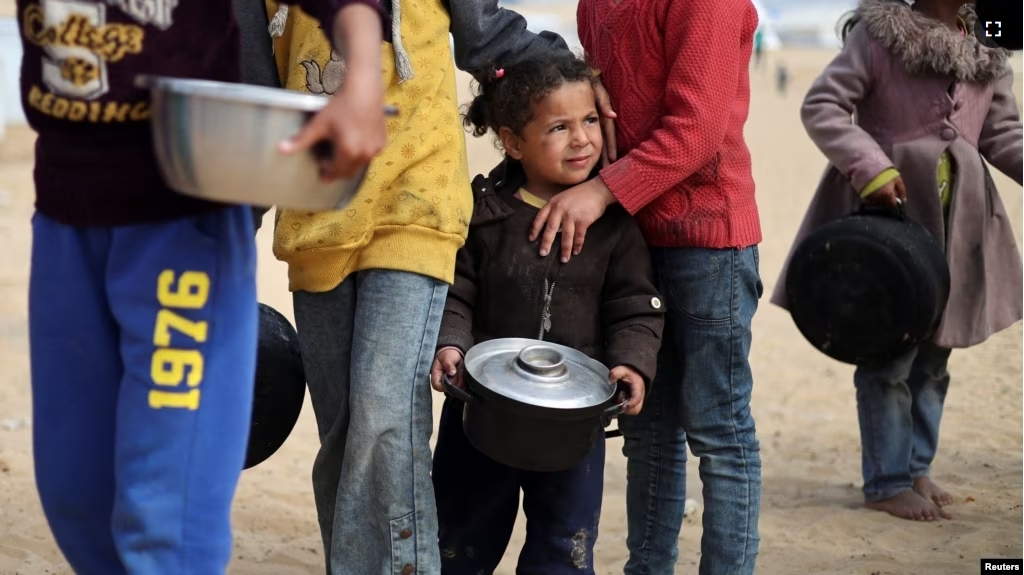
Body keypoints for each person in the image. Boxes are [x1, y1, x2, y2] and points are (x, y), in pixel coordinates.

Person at [17, 0, 391, 572]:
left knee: (166, 514)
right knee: (78, 494)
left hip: (181, 220)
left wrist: (362, 76)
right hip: (66, 220)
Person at [262, 1, 615, 573]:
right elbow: (257, 82)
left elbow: (486, 35)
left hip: (417, 203)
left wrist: (574, 80)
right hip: (315, 218)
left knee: (385, 419)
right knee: (344, 439)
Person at [527, 0, 764, 573]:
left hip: (708, 239)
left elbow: (697, 130)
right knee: (646, 429)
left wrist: (602, 191)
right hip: (631, 240)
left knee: (718, 430)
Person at [772, 0, 1022, 521]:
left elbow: (1001, 133)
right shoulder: (878, 35)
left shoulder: (988, 47)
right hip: (889, 223)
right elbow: (823, 106)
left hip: (961, 223)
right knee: (888, 356)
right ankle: (886, 481)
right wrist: (870, 165)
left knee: (935, 358)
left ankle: (915, 467)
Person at [427, 53, 665, 575]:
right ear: (513, 142)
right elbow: (456, 292)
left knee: (565, 545)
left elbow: (634, 305)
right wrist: (450, 345)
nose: (582, 139)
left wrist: (631, 363)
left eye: (589, 122)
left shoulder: (614, 226)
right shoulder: (486, 213)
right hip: (481, 413)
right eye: (559, 127)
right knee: (459, 540)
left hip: (573, 427)